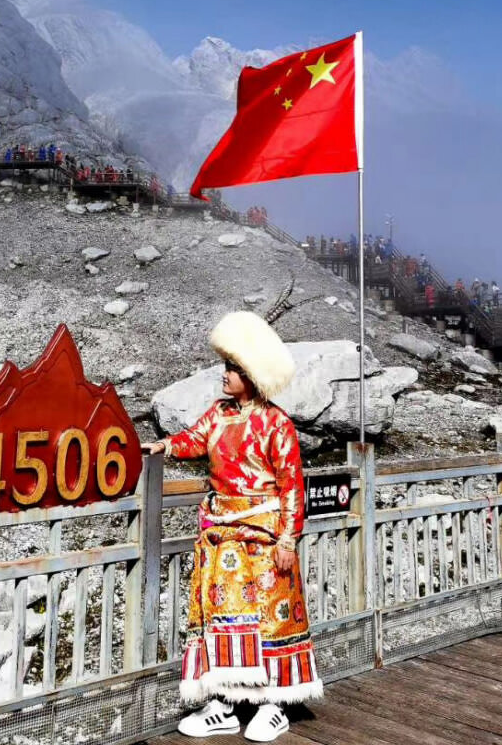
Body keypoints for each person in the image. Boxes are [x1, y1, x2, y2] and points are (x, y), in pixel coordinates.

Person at [144, 299, 322, 740]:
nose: (224, 374)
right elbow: (194, 439)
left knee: (268, 617)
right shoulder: (219, 415)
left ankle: (274, 703)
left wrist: (287, 540)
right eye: (225, 366)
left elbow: (292, 486)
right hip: (221, 533)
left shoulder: (277, 424)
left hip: (263, 538)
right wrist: (166, 446)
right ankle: (224, 701)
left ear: (252, 376)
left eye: (232, 368)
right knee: (222, 618)